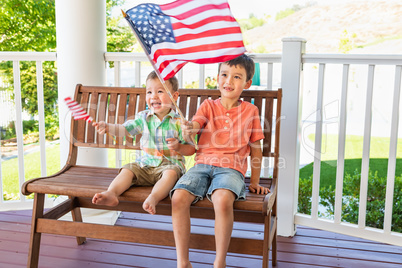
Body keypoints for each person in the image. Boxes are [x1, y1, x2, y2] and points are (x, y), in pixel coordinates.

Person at [170, 54, 270, 268]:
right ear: (217, 78)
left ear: (247, 83)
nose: (229, 81)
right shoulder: (208, 106)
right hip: (202, 165)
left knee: (222, 200)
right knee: (178, 197)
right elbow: (197, 124)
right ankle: (183, 262)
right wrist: (190, 128)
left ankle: (219, 262)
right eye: (224, 75)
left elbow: (255, 148)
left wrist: (254, 181)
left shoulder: (251, 111)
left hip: (231, 169)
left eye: (236, 77)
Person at [92, 71, 195, 215]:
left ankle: (153, 197)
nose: (153, 96)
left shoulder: (179, 123)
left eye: (160, 91)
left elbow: (191, 150)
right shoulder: (143, 118)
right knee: (127, 170)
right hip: (144, 165)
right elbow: (125, 129)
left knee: (171, 174)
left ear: (174, 96)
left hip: (169, 165)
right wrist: (109, 127)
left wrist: (178, 146)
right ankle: (111, 193)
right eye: (149, 92)